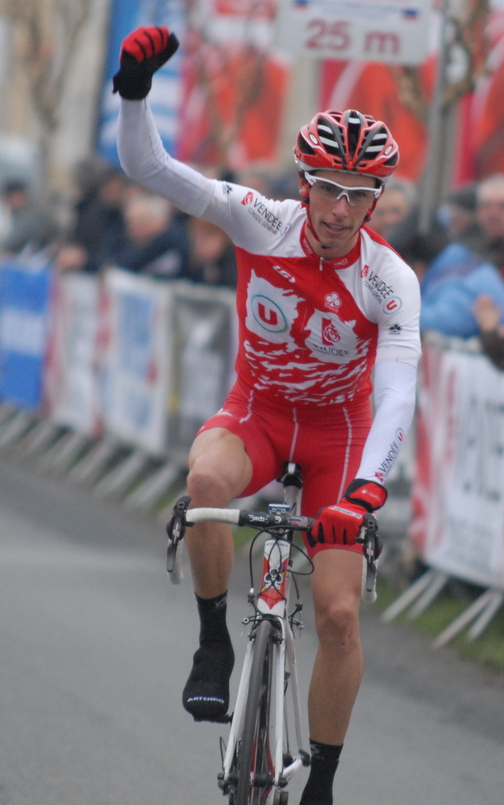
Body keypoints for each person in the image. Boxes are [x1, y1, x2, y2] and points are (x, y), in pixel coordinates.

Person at [112, 26, 420, 805]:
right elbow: (151, 167)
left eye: (361, 193)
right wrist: (136, 94)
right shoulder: (260, 219)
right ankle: (214, 643)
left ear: (377, 198)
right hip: (260, 410)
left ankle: (323, 780)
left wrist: (364, 493)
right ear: (303, 182)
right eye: (329, 188)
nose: (342, 209)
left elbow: (398, 391)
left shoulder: (389, 279)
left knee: (341, 613)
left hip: (337, 437)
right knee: (207, 477)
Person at [0, 179, 60, 257]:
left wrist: (2, 249)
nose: (6, 203)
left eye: (8, 198)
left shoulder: (33, 213)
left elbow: (18, 238)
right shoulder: (20, 213)